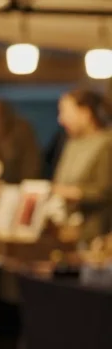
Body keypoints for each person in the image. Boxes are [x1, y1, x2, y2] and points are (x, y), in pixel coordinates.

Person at [51, 89, 112, 242]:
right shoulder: (71, 143)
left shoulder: (106, 143)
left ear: (85, 113)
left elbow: (104, 190)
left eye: (66, 112)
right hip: (65, 228)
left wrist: (72, 192)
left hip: (94, 232)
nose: (61, 119)